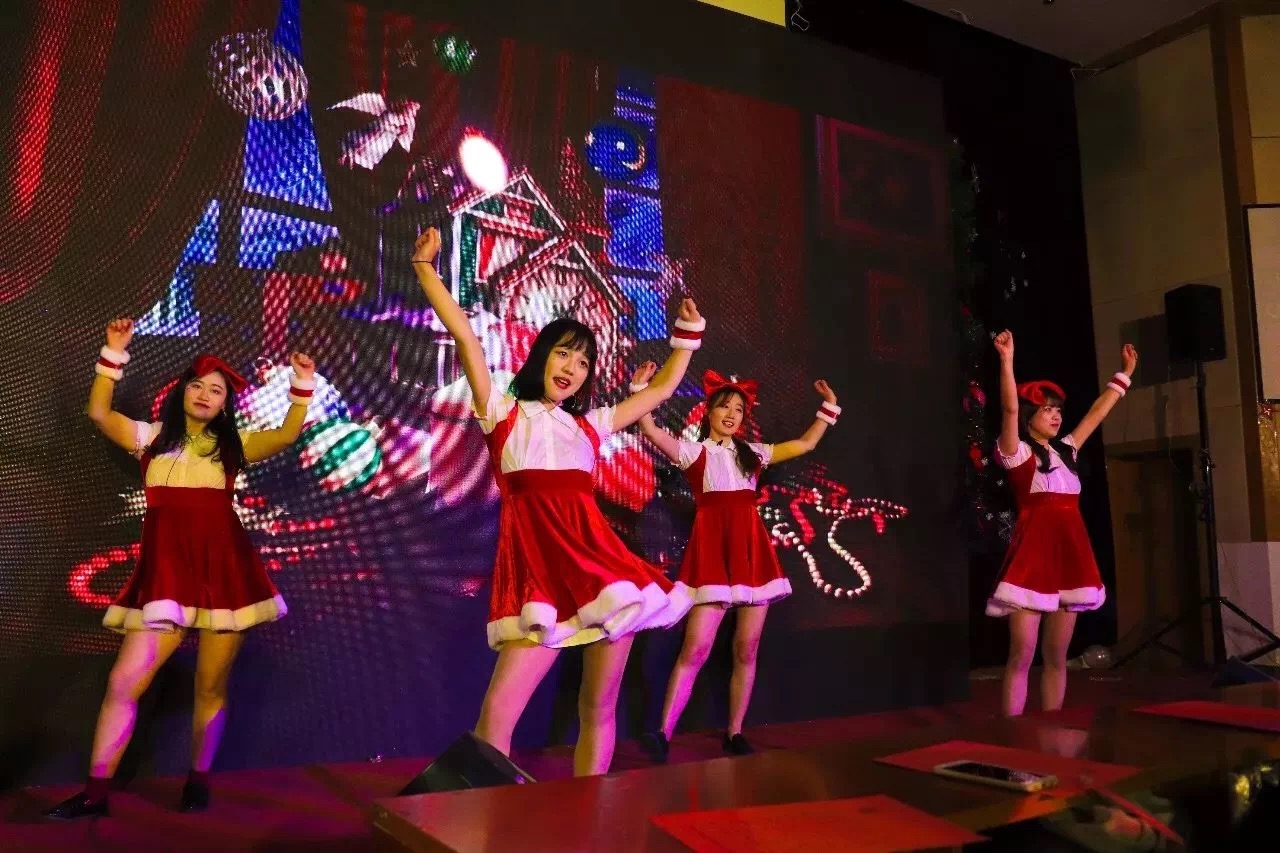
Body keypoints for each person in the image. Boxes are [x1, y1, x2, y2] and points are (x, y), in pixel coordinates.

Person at [410, 227, 699, 776]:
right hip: (538, 583)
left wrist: (686, 338)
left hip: (603, 577)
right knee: (496, 717)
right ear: (542, 355)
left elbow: (660, 391)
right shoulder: (502, 412)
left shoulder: (589, 426)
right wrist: (425, 268)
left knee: (599, 709)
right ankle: (484, 816)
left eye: (584, 362)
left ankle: (589, 812)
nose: (571, 368)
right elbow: (467, 337)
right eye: (564, 353)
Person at [47, 319, 315, 819]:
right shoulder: (149, 438)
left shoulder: (233, 445)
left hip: (224, 577)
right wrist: (112, 353)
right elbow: (99, 413)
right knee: (124, 683)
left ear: (225, 404)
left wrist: (301, 384)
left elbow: (285, 436)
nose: (205, 394)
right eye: (197, 386)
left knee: (210, 687)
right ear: (182, 392)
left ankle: (198, 781)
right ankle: (95, 793)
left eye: (216, 390)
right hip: (166, 579)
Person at [634, 368, 840, 761]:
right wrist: (640, 389)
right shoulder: (692, 452)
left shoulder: (754, 453)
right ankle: (662, 733)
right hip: (712, 557)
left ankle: (735, 732)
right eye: (724, 406)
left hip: (751, 555)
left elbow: (806, 443)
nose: (731, 414)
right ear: (708, 411)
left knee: (747, 648)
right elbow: (649, 428)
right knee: (696, 649)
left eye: (739, 409)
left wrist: (829, 407)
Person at [989, 329, 1138, 717]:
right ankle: (1011, 732)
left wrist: (1124, 375)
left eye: (1058, 410)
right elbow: (1009, 410)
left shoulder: (1068, 452)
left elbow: (1096, 414)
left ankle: (1051, 727)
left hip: (1070, 561)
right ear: (1030, 416)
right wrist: (1006, 360)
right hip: (1032, 563)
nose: (1056, 416)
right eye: (1046, 410)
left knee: (1057, 655)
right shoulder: (1018, 454)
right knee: (1022, 653)